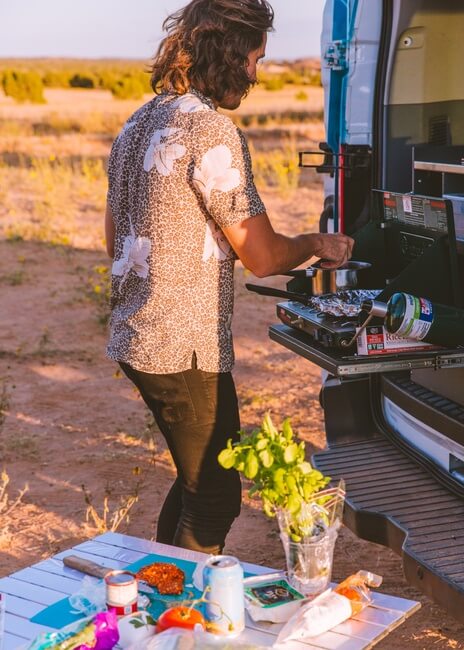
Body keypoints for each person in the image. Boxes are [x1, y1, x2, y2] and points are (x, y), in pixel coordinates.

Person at [104, 0, 354, 555]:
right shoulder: (211, 130)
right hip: (180, 344)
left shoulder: (140, 121)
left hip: (137, 333)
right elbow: (263, 256)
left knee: (195, 481)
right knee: (215, 496)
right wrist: (318, 244)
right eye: (254, 59)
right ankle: (176, 625)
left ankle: (159, 594)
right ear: (228, 53)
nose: (256, 75)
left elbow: (115, 238)